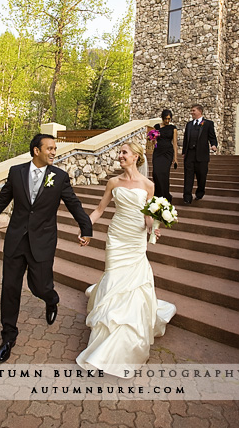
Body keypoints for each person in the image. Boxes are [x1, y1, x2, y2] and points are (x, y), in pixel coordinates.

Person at [0, 133, 92, 363]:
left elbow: (73, 203)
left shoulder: (59, 176)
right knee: (10, 288)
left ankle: (51, 299)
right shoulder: (17, 172)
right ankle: (8, 336)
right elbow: (1, 201)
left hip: (43, 242)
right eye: (50, 148)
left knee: (40, 286)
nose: (54, 152)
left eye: (55, 149)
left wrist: (86, 228)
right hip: (16, 240)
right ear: (36, 150)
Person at [76, 141, 176, 377]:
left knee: (133, 283)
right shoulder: (114, 182)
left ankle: (124, 337)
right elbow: (100, 209)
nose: (119, 156)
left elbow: (148, 216)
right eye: (119, 153)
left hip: (136, 239)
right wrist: (85, 228)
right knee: (113, 278)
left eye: (123, 153)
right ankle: (106, 332)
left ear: (136, 157)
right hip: (117, 237)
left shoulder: (149, 185)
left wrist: (153, 229)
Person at [182, 104, 218, 204]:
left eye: (193, 110)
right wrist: (184, 152)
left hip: (202, 156)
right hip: (190, 155)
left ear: (200, 111)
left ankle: (199, 193)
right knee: (188, 177)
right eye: (191, 110)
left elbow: (212, 137)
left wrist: (214, 145)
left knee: (202, 177)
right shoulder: (189, 124)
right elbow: (186, 139)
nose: (192, 112)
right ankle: (187, 197)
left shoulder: (208, 124)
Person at [152, 109, 178, 203]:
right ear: (162, 118)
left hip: (168, 153)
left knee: (164, 174)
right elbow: (153, 140)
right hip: (158, 152)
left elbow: (175, 143)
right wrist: (153, 140)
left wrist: (175, 158)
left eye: (169, 119)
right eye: (166, 119)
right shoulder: (157, 126)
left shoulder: (173, 128)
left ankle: (165, 195)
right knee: (155, 173)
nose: (167, 121)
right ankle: (158, 194)